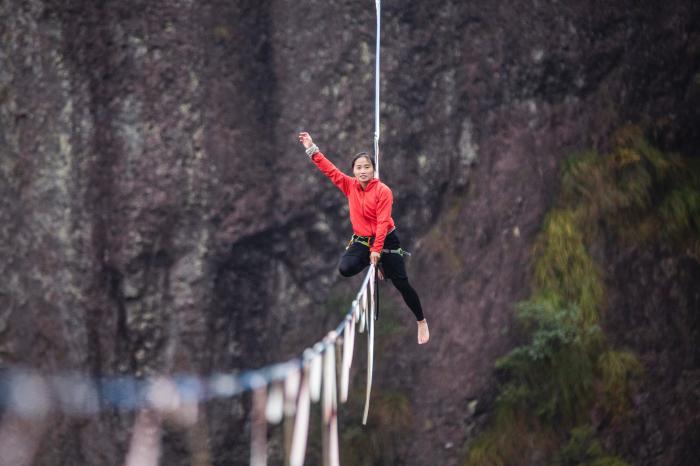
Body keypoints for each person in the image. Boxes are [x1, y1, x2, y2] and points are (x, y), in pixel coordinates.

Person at [298, 132, 429, 344]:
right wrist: (311, 148)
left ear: (373, 169)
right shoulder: (350, 186)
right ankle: (376, 265)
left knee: (402, 284)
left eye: (367, 167)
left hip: (386, 239)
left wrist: (377, 250)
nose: (363, 171)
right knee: (345, 268)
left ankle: (421, 320)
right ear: (353, 171)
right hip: (362, 240)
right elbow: (329, 171)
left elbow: (383, 222)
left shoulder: (383, 191)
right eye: (358, 167)